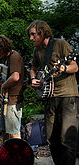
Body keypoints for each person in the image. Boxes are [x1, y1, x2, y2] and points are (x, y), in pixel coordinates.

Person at [27, 20, 78, 165]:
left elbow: (74, 66)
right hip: (49, 96)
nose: (31, 38)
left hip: (67, 96)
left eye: (33, 34)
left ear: (42, 32)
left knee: (66, 137)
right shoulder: (37, 50)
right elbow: (33, 68)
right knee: (51, 137)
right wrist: (33, 79)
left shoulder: (60, 44)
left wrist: (64, 69)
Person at [0, 35, 24, 140]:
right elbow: (1, 68)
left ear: (1, 47)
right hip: (6, 100)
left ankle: (17, 154)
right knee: (4, 131)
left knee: (13, 132)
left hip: (13, 99)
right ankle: (7, 154)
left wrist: (4, 85)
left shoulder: (14, 56)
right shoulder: (6, 57)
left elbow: (15, 77)